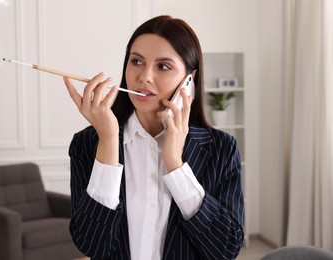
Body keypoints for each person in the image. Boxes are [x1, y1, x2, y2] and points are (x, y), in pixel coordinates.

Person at [64, 15, 244, 260]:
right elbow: (90, 245)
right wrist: (107, 141)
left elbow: (226, 249)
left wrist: (174, 164)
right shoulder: (88, 144)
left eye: (163, 66)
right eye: (136, 61)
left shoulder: (221, 149)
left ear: (189, 79)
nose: (144, 77)